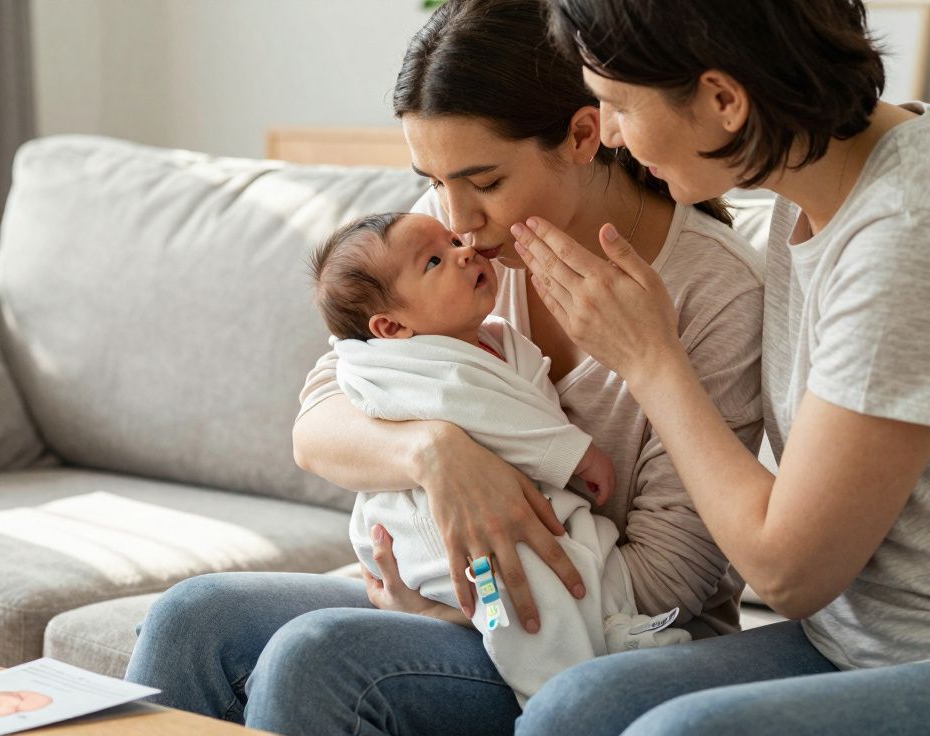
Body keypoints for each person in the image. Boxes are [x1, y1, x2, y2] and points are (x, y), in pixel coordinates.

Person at [124, 0, 762, 732]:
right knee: (191, 618)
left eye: (484, 182)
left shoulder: (715, 293)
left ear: (585, 134)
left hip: (612, 637)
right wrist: (436, 454)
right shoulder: (458, 246)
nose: (456, 217)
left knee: (318, 655)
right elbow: (321, 421)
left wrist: (462, 608)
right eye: (431, 179)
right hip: (469, 599)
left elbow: (670, 585)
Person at [499, 0, 930, 733]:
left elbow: (788, 573)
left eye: (620, 106)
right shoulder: (812, 186)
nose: (616, 138)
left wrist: (652, 361)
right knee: (572, 710)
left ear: (724, 99)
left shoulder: (913, 233)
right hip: (855, 642)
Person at [313, 211, 689, 703]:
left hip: (506, 507)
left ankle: (617, 629)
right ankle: (554, 690)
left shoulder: (484, 336)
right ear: (389, 326)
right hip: (425, 524)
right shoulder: (417, 366)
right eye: (435, 260)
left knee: (591, 547)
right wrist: (574, 455)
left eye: (450, 240)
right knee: (528, 592)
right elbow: (497, 415)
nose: (464, 247)